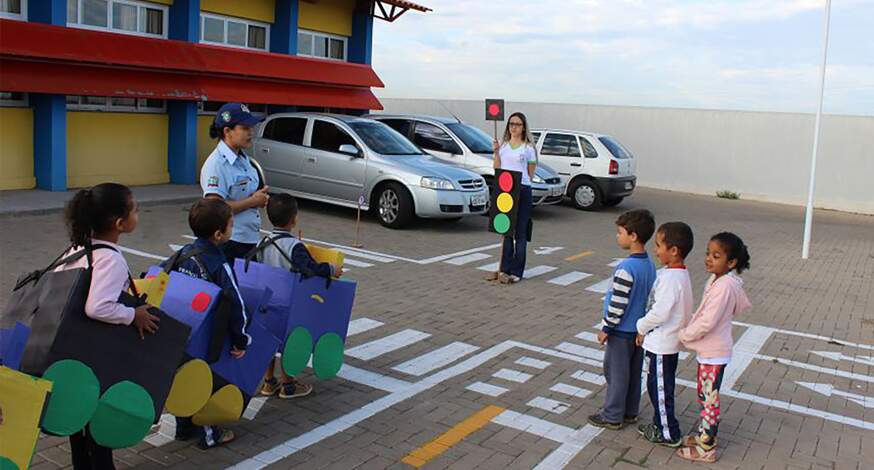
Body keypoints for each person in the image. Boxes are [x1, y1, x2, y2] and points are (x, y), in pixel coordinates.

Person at [58, 183, 159, 470]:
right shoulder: (111, 258)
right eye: (135, 209)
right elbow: (97, 307)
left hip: (69, 349)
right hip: (93, 354)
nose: (138, 213)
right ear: (119, 223)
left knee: (80, 423)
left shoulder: (78, 249)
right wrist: (133, 315)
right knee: (99, 422)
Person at [160, 198, 251, 449]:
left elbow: (158, 276)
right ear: (219, 234)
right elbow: (235, 304)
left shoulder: (182, 254)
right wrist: (241, 339)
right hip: (207, 335)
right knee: (206, 381)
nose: (233, 229)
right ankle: (210, 432)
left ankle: (184, 426)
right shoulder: (220, 264)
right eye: (231, 225)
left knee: (183, 377)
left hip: (178, 330)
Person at [256, 193, 341, 398]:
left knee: (270, 342)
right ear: (294, 219)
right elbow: (309, 269)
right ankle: (289, 384)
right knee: (290, 342)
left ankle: (268, 382)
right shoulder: (295, 246)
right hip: (289, 304)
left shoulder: (263, 243)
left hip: (268, 304)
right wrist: (331, 269)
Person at [676, 232, 751, 463]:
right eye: (708, 253)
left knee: (709, 400)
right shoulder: (717, 280)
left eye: (716, 255)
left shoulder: (724, 286)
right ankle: (703, 436)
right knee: (705, 395)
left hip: (714, 353)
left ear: (731, 262)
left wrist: (684, 334)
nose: (709, 258)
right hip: (710, 351)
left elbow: (708, 321)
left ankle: (706, 448)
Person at [588, 209, 657, 430]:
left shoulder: (626, 268)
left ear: (633, 236)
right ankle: (630, 412)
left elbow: (618, 302)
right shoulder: (649, 265)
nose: (618, 236)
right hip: (638, 331)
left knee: (616, 374)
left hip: (620, 331)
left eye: (620, 232)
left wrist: (607, 327)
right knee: (634, 373)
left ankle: (612, 415)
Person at [635, 222, 695, 447]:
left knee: (659, 389)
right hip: (662, 342)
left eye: (659, 245)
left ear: (674, 251)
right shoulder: (674, 274)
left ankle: (669, 432)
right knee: (658, 386)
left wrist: (641, 327)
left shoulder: (672, 279)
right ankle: (660, 424)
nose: (655, 249)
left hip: (662, 344)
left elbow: (659, 313)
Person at [201, 102, 269, 263]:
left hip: (249, 240)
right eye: (245, 128)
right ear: (227, 131)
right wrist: (252, 201)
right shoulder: (216, 164)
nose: (250, 132)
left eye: (251, 128)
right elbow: (214, 209)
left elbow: (247, 195)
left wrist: (259, 199)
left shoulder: (243, 159)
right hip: (230, 243)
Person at [487, 112, 537, 284]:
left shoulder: (528, 148)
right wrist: (495, 152)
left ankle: (517, 271)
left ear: (523, 127)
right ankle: (504, 268)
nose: (513, 127)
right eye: (511, 124)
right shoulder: (504, 145)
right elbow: (497, 167)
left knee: (520, 232)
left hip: (521, 190)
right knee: (505, 229)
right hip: (505, 190)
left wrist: (522, 184)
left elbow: (530, 173)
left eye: (517, 124)